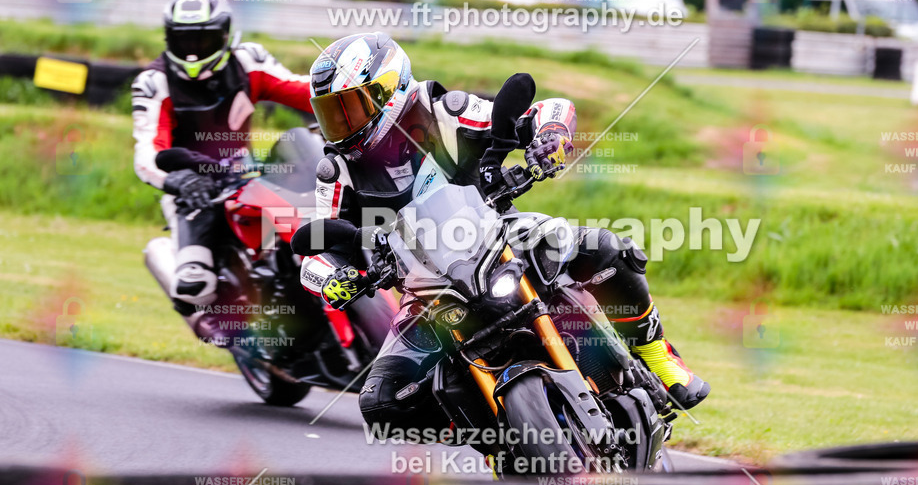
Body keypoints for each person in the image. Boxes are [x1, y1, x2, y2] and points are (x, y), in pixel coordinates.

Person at [297, 31, 710, 436]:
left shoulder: (445, 110)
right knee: (383, 403)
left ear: (391, 88)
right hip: (423, 288)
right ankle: (499, 442)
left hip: (500, 237)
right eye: (331, 112)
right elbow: (316, 250)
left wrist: (551, 137)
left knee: (606, 249)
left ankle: (658, 355)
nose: (341, 124)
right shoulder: (337, 171)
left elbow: (548, 110)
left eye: (350, 107)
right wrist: (332, 278)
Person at [131, 0, 313, 312]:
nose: (192, 52)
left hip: (248, 173)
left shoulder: (249, 61)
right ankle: (221, 320)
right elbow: (146, 152)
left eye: (203, 40)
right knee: (194, 287)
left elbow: (305, 90)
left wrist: (360, 93)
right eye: (183, 41)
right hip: (192, 189)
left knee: (317, 216)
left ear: (225, 34)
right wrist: (178, 183)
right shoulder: (154, 82)